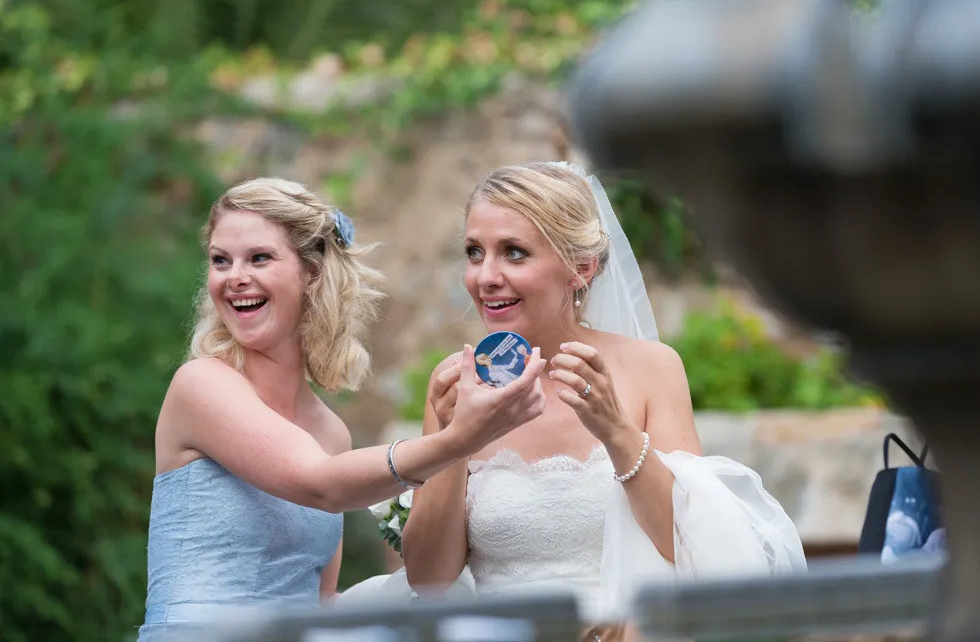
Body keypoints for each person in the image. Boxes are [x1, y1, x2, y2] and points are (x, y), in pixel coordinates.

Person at [341, 162, 806, 641]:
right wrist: (455, 439)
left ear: (580, 268)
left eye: (514, 253)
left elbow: (688, 543)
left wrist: (616, 432)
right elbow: (430, 580)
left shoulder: (651, 368)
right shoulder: (457, 385)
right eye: (474, 253)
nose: (486, 276)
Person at [137, 177, 548, 641]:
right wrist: (458, 441)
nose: (234, 277)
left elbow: (319, 602)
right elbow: (320, 485)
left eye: (259, 258)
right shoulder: (201, 386)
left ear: (311, 273)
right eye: (220, 260)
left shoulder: (330, 433)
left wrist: (410, 594)